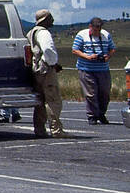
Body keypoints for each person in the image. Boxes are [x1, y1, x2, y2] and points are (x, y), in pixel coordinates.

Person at [27, 9, 65, 137]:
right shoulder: (44, 33)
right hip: (46, 69)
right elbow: (48, 49)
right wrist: (53, 63)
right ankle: (56, 130)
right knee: (53, 99)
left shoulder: (31, 32)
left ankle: (39, 129)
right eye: (50, 18)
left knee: (40, 101)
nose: (52, 21)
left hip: (36, 69)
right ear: (46, 19)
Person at [72, 16, 116, 124]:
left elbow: (112, 48)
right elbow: (75, 50)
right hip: (86, 69)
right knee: (91, 94)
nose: (97, 32)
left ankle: (101, 114)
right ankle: (92, 116)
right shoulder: (82, 35)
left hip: (103, 69)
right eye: (95, 30)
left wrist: (107, 57)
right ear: (90, 27)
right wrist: (87, 57)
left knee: (104, 92)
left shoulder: (106, 35)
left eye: (99, 30)